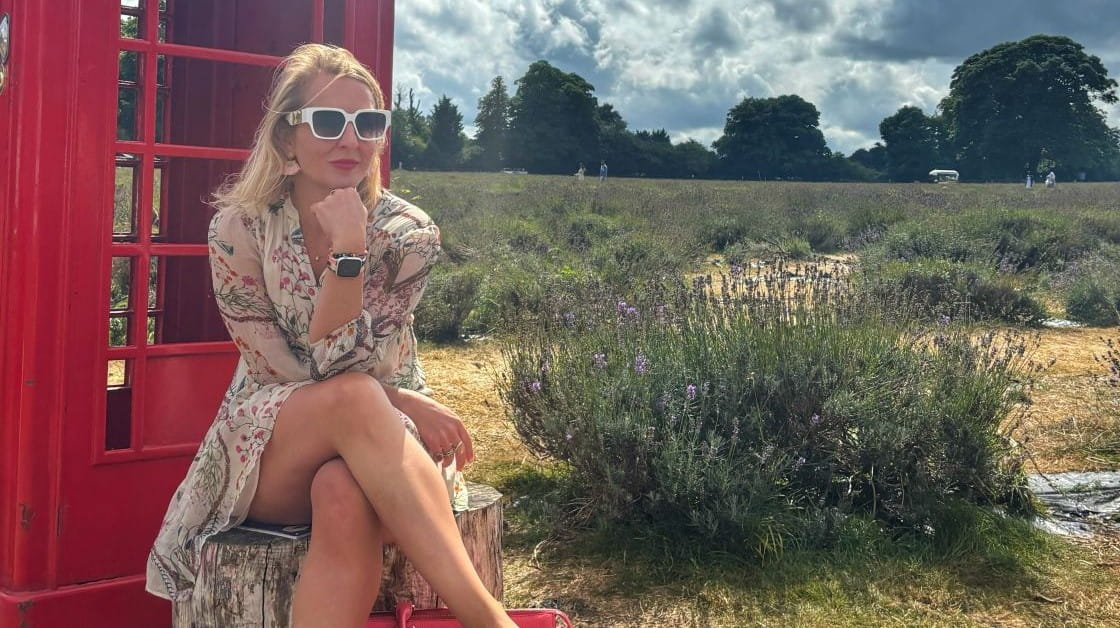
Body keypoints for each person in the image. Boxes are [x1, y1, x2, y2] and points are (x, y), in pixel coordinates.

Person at [145, 44, 516, 628]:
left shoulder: (406, 235)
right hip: (271, 446)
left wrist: (353, 247)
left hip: (388, 451)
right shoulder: (238, 228)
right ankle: (494, 622)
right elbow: (280, 370)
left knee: (344, 492)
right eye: (327, 121)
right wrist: (396, 394)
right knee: (352, 398)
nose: (351, 139)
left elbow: (347, 361)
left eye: (368, 122)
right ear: (287, 139)